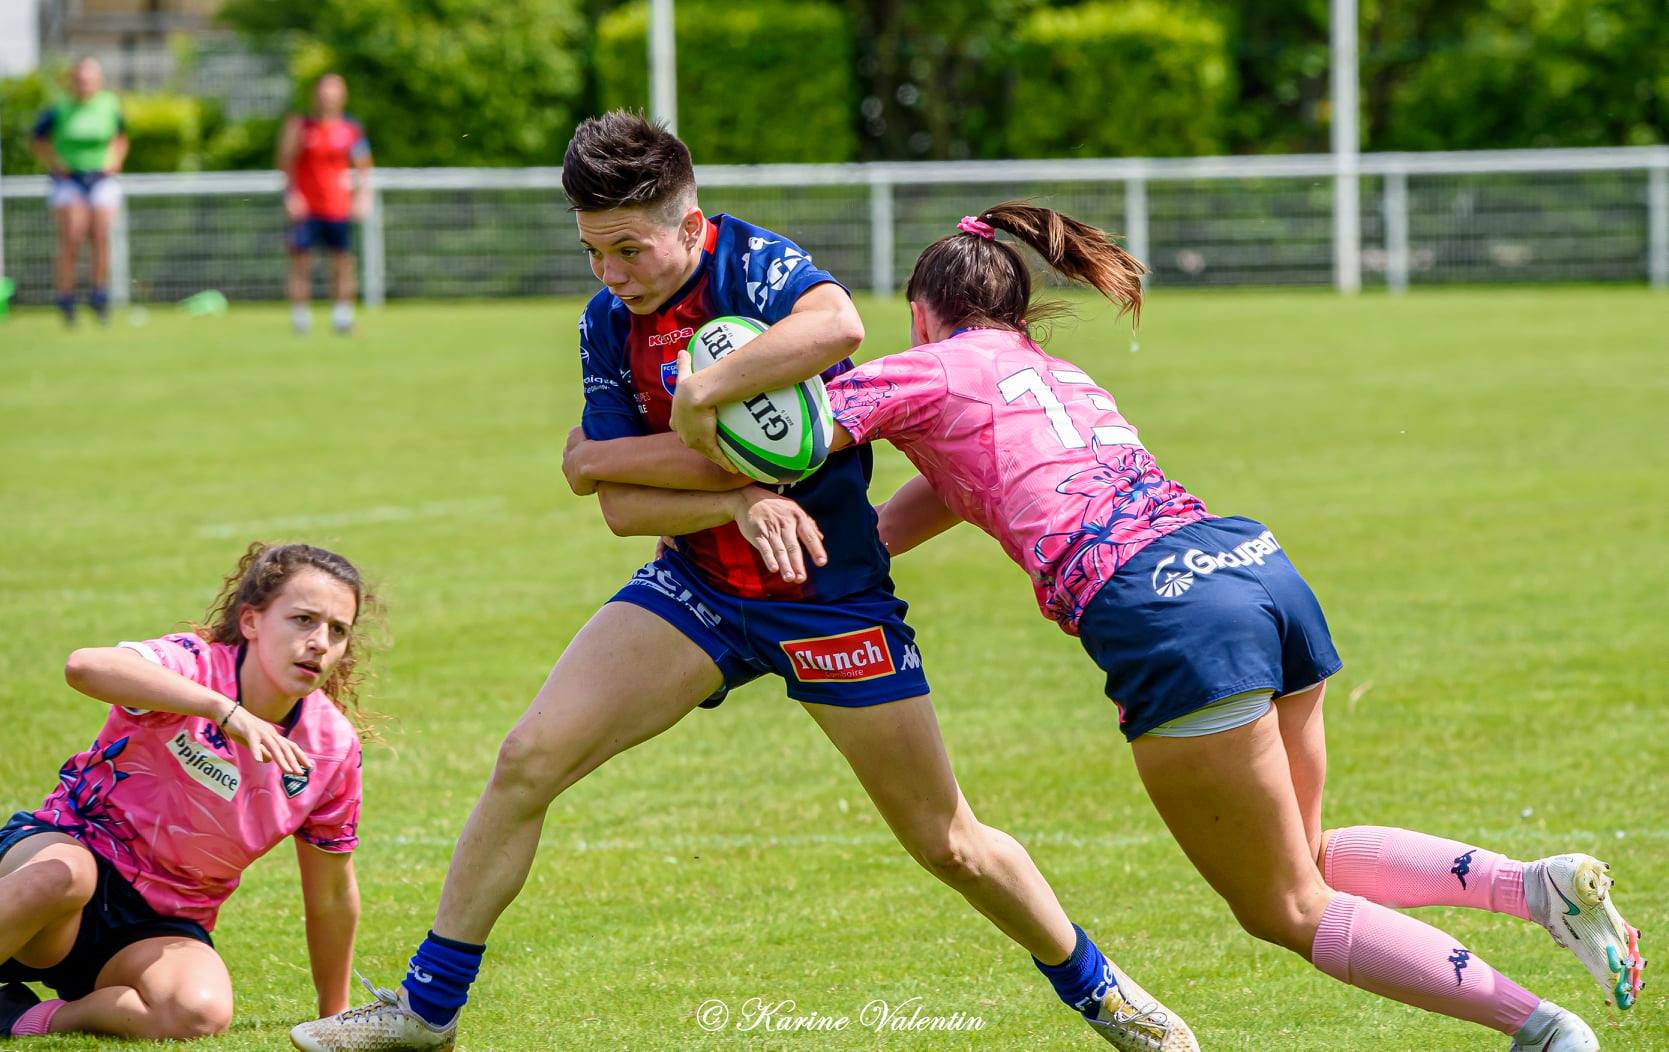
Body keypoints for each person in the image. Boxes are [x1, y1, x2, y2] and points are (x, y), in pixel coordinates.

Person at [290, 113, 1194, 1052]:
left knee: (947, 841)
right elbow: (620, 509)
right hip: (698, 592)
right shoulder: (607, 322)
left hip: (829, 599)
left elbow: (833, 328)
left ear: (690, 226)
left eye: (628, 249)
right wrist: (735, 501)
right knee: (527, 761)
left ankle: (1102, 996)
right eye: (593, 251)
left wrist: (684, 410)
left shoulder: (755, 266)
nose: (611, 273)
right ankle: (426, 1010)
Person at [794, 204, 1644, 1051]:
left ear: (919, 312)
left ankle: (1541, 1032)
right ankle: (1533, 887)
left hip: (1167, 613)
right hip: (1252, 566)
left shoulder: (925, 367)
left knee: (1283, 908)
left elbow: (783, 433)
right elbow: (959, 486)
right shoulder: (1058, 376)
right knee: (1301, 857)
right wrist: (843, 552)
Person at [0, 543, 375, 1040]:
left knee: (198, 1012)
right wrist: (223, 711)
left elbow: (330, 893)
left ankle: (17, 1018)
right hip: (67, 863)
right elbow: (84, 666)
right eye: (303, 619)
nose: (320, 643)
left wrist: (335, 1017)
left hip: (160, 923)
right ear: (251, 622)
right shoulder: (194, 665)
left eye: (338, 630)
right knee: (62, 876)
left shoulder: (332, 749)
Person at [30, 57, 128, 327]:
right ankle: (65, 297)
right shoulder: (59, 108)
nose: (85, 84)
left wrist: (115, 160)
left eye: (90, 80)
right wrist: (55, 162)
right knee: (72, 237)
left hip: (101, 177)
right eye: (81, 79)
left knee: (101, 236)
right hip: (69, 179)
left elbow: (121, 137)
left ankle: (99, 294)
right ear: (73, 81)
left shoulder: (109, 105)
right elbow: (37, 139)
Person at [277, 73, 372, 335]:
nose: (328, 97)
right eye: (324, 92)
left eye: (334, 92)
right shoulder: (301, 126)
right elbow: (286, 162)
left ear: (342, 96)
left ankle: (342, 318)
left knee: (341, 262)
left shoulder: (351, 128)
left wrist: (363, 195)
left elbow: (363, 165)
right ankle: (300, 319)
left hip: (337, 207)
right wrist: (291, 194)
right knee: (301, 262)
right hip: (306, 209)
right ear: (315, 95)